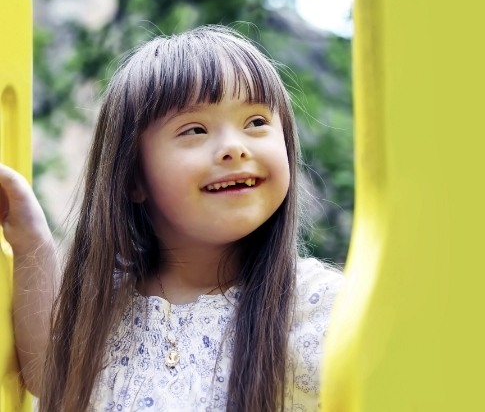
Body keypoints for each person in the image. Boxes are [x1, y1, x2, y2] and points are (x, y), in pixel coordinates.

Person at [1, 25, 342, 411]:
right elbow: (48, 376)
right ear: (133, 177)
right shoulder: (106, 307)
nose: (234, 147)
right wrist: (30, 241)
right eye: (194, 129)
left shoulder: (322, 306)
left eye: (256, 122)